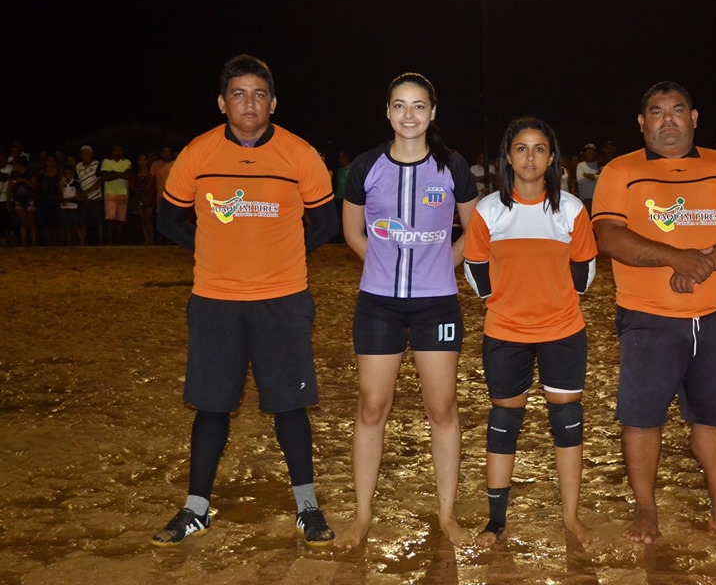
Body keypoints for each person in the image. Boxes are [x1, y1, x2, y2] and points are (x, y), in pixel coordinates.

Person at [152, 54, 339, 548]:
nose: (249, 103)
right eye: (238, 94)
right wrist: (210, 249)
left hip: (283, 301)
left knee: (291, 405)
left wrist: (285, 256)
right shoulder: (198, 153)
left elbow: (327, 222)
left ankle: (307, 506)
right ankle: (196, 508)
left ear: (273, 103)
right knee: (211, 407)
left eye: (259, 94)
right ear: (222, 103)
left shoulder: (300, 154)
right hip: (216, 301)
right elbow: (168, 219)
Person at [592, 81, 716, 544]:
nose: (667, 119)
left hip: (714, 317)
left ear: (694, 117)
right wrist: (676, 257)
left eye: (677, 110)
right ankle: (646, 511)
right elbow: (608, 236)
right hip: (647, 318)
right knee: (642, 418)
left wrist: (704, 262)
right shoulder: (619, 171)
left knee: (715, 418)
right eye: (656, 111)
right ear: (641, 122)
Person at [337, 72, 478, 549]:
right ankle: (361, 516)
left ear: (432, 113)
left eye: (419, 106)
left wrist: (440, 262)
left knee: (442, 409)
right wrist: (382, 263)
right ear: (388, 112)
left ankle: (446, 515)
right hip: (378, 305)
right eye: (400, 105)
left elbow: (473, 231)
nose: (409, 114)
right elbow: (353, 233)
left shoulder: (453, 166)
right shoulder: (365, 166)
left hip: (437, 304)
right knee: (372, 407)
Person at [463, 116, 599, 548]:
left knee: (567, 422)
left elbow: (585, 272)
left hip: (562, 330)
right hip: (506, 331)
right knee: (504, 421)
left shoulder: (572, 210)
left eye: (539, 149)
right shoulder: (489, 211)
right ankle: (495, 522)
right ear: (508, 156)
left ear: (552, 157)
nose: (530, 157)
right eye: (521, 148)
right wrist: (503, 302)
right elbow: (475, 270)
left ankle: (572, 517)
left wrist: (555, 301)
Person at [100, 145, 133, 244]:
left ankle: (118, 242)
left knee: (121, 220)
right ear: (111, 152)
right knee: (110, 219)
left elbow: (128, 176)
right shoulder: (106, 161)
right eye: (116, 150)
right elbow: (104, 177)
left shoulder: (127, 162)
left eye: (120, 150)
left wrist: (113, 174)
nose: (118, 152)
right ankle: (110, 241)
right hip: (110, 193)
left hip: (123, 193)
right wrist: (121, 174)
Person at [76, 145, 104, 245]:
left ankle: (100, 240)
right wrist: (82, 194)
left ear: (91, 154)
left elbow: (100, 180)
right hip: (84, 197)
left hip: (96, 196)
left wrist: (87, 191)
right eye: (83, 153)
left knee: (98, 220)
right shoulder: (78, 166)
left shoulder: (97, 164)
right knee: (82, 220)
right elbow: (78, 181)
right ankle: (82, 241)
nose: (85, 155)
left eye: (87, 153)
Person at [576, 143, 600, 214]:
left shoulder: (598, 164)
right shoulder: (580, 165)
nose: (588, 153)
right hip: (584, 199)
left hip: (597, 198)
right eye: (587, 152)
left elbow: (601, 179)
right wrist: (595, 177)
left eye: (591, 151)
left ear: (595, 153)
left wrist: (587, 175)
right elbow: (580, 180)